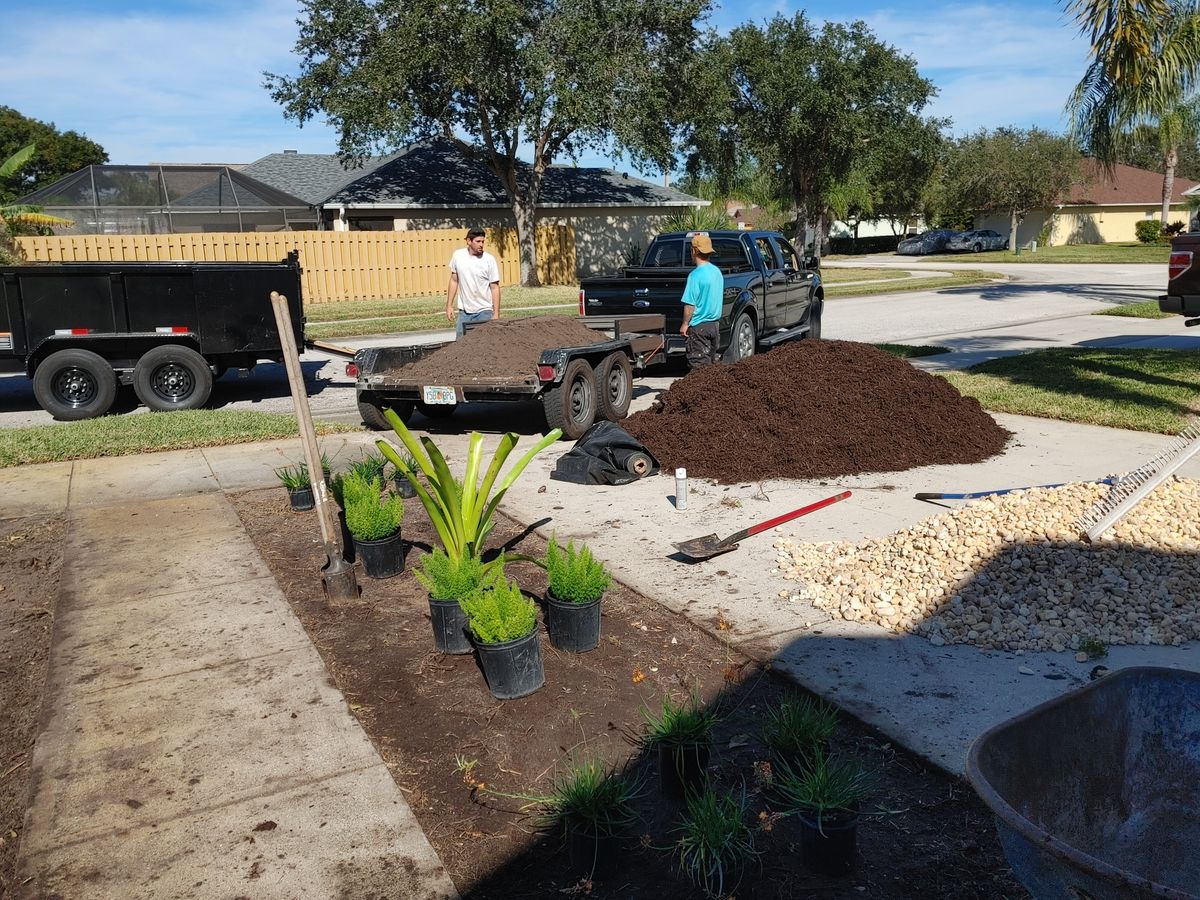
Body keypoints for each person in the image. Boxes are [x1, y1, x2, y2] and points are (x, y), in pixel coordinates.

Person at [446, 227, 501, 337]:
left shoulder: (489, 260)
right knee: (460, 343)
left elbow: (495, 288)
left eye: (483, 241)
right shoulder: (458, 256)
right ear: (469, 241)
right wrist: (449, 305)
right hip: (465, 311)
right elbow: (454, 281)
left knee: (484, 344)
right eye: (478, 241)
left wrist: (496, 314)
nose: (481, 244)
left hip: (484, 311)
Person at [679, 232, 723, 368]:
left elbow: (690, 305)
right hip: (714, 327)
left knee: (699, 371)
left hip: (699, 328)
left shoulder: (695, 276)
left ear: (695, 250)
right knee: (711, 368)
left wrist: (685, 324)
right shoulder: (717, 272)